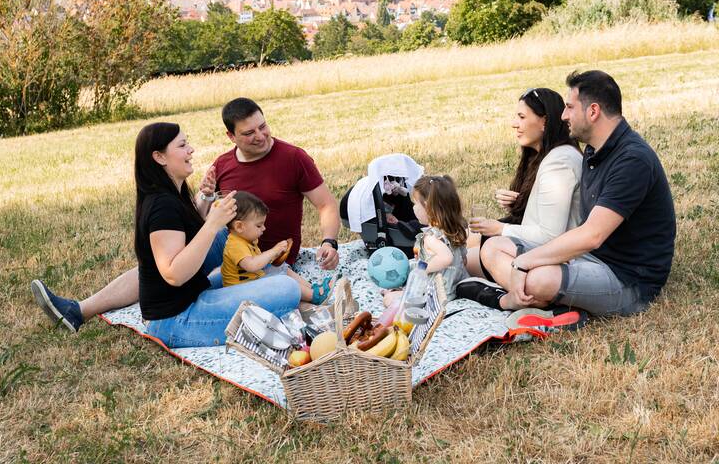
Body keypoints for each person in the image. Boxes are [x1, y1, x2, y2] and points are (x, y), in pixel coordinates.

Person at [31, 98, 340, 332]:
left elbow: (326, 205)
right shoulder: (220, 167)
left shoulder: (293, 158)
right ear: (231, 137)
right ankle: (80, 310)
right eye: (249, 133)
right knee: (184, 254)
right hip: (219, 263)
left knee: (247, 263)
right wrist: (205, 198)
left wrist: (330, 241)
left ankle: (304, 294)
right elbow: (199, 228)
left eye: (263, 127)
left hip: (270, 254)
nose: (260, 136)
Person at [458, 70, 676, 316]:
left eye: (570, 107)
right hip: (591, 259)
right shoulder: (595, 152)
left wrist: (523, 263)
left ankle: (507, 301)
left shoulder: (632, 160)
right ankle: (533, 295)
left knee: (538, 278)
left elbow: (592, 235)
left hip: (628, 280)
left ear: (593, 111)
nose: (562, 116)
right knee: (493, 248)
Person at [466, 88, 582, 279]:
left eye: (521, 117)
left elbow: (550, 235)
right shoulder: (545, 155)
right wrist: (519, 202)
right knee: (464, 242)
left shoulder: (559, 163)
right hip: (535, 247)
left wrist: (499, 228)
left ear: (544, 121)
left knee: (461, 260)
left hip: (553, 260)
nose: (514, 124)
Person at [221, 191, 334, 303]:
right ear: (239, 226)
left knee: (282, 268)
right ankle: (314, 297)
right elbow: (251, 265)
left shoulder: (245, 238)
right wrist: (274, 250)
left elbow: (258, 260)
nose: (264, 228)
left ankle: (314, 289)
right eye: (259, 225)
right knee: (281, 281)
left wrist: (275, 255)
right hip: (240, 291)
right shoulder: (234, 245)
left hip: (252, 280)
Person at [383, 175, 469, 306]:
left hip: (436, 293)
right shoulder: (454, 230)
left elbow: (446, 257)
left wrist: (423, 269)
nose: (413, 207)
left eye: (416, 203)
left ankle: (395, 293)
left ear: (428, 208)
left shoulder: (431, 237)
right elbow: (463, 260)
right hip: (454, 286)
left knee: (388, 300)